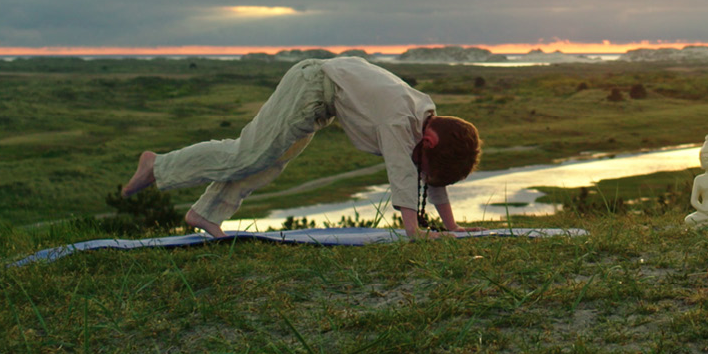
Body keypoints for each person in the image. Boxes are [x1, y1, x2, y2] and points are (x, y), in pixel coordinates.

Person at [122, 56, 481, 239]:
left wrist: (451, 227)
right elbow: (403, 177)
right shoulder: (399, 122)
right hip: (312, 86)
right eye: (425, 166)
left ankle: (205, 215)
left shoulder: (425, 120)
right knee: (247, 153)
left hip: (323, 100)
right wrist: (415, 232)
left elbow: (430, 176)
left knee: (269, 160)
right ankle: (158, 165)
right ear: (429, 141)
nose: (423, 175)